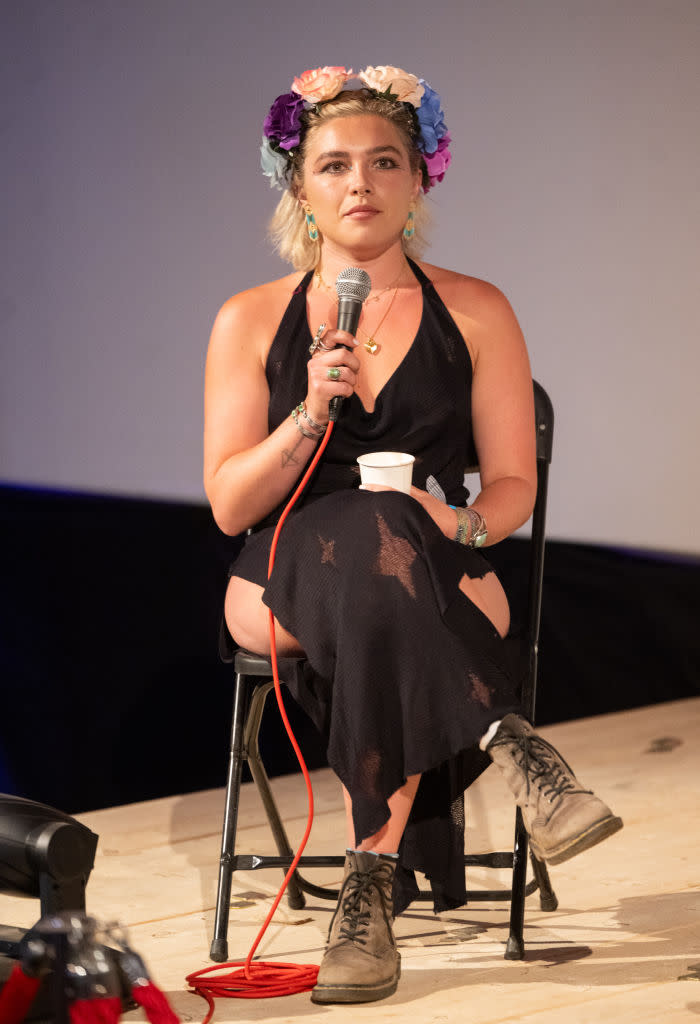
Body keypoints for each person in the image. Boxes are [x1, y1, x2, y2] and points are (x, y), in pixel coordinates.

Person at [203, 65, 622, 1005]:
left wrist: (459, 519)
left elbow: (511, 483)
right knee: (362, 534)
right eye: (335, 165)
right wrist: (309, 412)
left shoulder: (477, 310)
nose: (361, 183)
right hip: (279, 575)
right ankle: (510, 741)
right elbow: (231, 505)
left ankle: (368, 888)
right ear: (299, 187)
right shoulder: (247, 320)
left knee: (388, 534)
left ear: (419, 181)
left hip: (439, 560)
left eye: (384, 162)